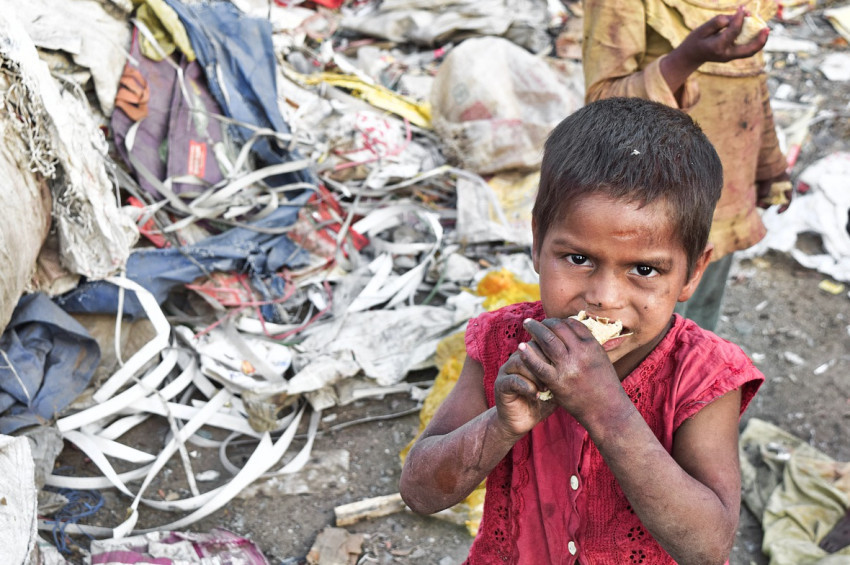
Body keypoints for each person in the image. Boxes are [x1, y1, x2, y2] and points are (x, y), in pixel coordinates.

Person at [399, 97, 764, 564]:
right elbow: (420, 492)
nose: (604, 297)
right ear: (537, 243)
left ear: (693, 272)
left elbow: (708, 546)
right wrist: (501, 426)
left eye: (646, 270)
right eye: (578, 259)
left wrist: (607, 410)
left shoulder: (703, 375)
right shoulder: (504, 343)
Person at [582, 0, 791, 331]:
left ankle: (690, 380)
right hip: (652, 202)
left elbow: (753, 85)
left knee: (700, 319)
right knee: (641, 327)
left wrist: (770, 165)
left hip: (724, 197)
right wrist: (687, 58)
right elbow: (603, 104)